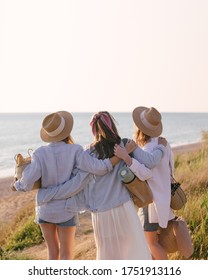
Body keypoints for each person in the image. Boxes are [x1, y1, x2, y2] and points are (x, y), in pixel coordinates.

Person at [38, 111, 167, 260]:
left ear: (94, 130)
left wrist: (51, 191)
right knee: (132, 254)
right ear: (112, 125)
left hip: (101, 213)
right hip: (124, 207)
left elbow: (76, 179)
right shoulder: (124, 144)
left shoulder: (88, 152)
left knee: (108, 256)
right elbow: (150, 161)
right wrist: (161, 147)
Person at [14, 111, 120, 260]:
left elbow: (27, 181)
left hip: (46, 208)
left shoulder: (39, 153)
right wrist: (118, 157)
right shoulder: (75, 150)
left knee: (52, 253)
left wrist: (17, 185)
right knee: (66, 254)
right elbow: (99, 168)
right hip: (67, 208)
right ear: (66, 131)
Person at [115, 106, 175, 260]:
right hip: (164, 199)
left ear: (139, 128)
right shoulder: (164, 144)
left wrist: (127, 159)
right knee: (154, 243)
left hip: (151, 201)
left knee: (151, 243)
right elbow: (171, 169)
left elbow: (146, 173)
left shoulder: (148, 148)